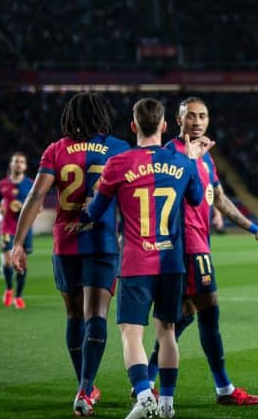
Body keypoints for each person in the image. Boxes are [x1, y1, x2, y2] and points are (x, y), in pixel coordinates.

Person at [80, 97, 210, 419]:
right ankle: (167, 403)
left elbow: (95, 212)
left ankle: (143, 394)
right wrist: (192, 160)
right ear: (165, 126)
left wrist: (89, 201)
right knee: (166, 331)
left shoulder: (119, 164)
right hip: (171, 262)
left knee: (131, 332)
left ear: (134, 126)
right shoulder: (180, 163)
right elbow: (196, 199)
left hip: (137, 262)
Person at [144, 97, 258, 406]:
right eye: (191, 116)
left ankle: (147, 380)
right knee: (207, 313)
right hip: (186, 247)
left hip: (198, 244)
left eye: (202, 116)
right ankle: (224, 389)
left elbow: (218, 197)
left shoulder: (204, 156)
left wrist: (255, 230)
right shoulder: (169, 155)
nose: (198, 121)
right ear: (178, 121)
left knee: (182, 317)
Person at [12, 92, 130, 416]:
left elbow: (36, 197)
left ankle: (84, 385)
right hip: (102, 241)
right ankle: (85, 389)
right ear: (101, 116)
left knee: (74, 316)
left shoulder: (56, 150)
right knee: (97, 315)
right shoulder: (118, 148)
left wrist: (18, 243)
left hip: (65, 243)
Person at [0, 153, 34, 308]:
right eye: (16, 161)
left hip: (25, 228)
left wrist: (24, 208)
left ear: (25, 166)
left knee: (22, 263)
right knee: (8, 260)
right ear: (11, 164)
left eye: (22, 162)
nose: (18, 164)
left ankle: (19, 296)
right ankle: (9, 289)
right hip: (7, 228)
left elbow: (38, 206)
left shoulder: (31, 184)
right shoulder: (1, 184)